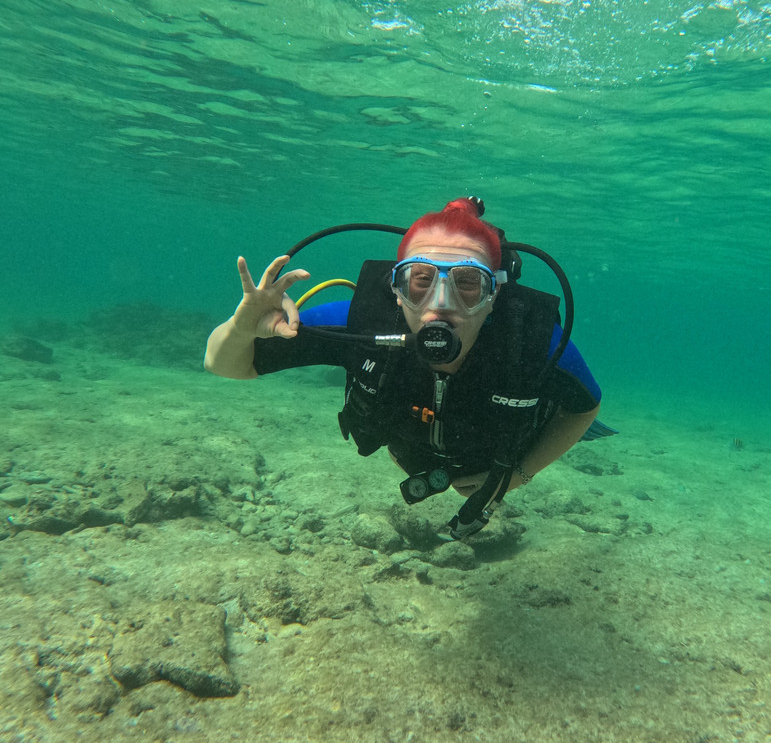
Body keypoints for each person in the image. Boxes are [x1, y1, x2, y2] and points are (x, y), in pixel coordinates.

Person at [205, 197, 602, 539]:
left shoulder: (530, 342)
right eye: (421, 280)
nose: (441, 302)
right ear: (396, 290)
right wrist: (240, 329)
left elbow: (585, 407)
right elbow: (224, 365)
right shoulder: (360, 326)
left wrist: (520, 474)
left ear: (494, 294)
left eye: (467, 282)